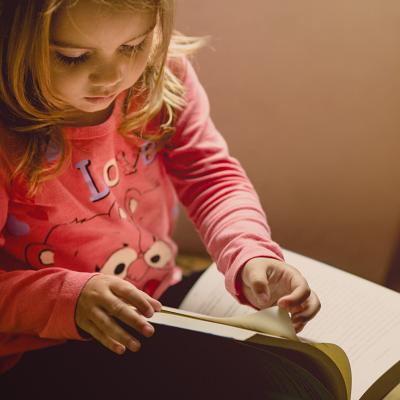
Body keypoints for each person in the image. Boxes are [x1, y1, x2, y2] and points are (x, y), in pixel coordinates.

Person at [0, 0, 322, 398]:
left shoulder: (160, 77)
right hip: (36, 347)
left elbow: (209, 175)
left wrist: (250, 251)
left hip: (155, 300)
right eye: (72, 57)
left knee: (297, 375)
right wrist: (67, 299)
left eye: (133, 46)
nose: (112, 76)